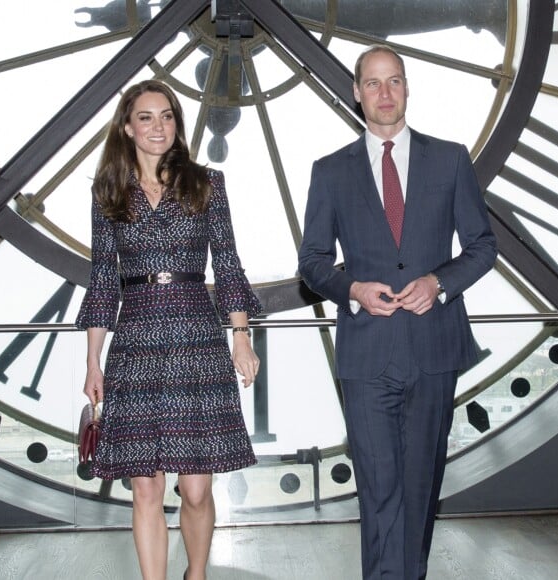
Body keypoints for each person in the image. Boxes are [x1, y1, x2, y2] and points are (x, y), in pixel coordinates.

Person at [298, 45, 497, 579]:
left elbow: (482, 246)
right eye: (373, 83)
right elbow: (312, 262)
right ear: (357, 92)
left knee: (419, 490)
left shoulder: (451, 159)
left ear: (407, 89)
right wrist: (352, 289)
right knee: (379, 490)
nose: (384, 94)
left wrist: (439, 282)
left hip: (434, 348)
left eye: (394, 82)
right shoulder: (330, 171)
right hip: (367, 353)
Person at [76, 79, 262, 580]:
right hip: (134, 343)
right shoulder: (108, 192)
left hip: (196, 338)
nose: (157, 126)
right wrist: (93, 360)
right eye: (146, 117)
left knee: (196, 489)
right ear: (127, 126)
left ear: (177, 125)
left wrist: (240, 336)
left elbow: (226, 263)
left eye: (167, 116)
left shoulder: (207, 183)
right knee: (146, 488)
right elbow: (101, 281)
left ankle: (195, 574)